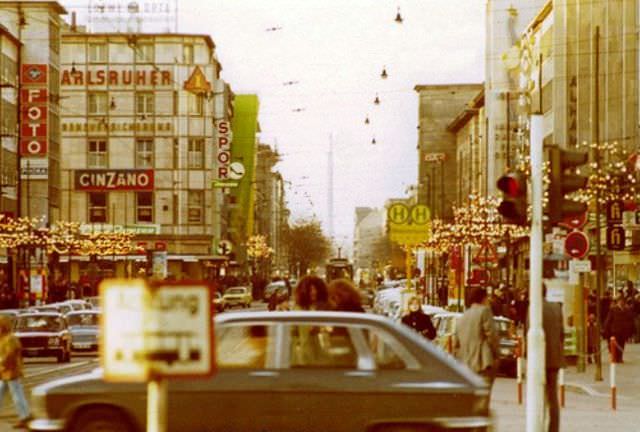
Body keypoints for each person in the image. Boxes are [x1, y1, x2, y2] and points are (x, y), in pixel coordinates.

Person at [454, 287, 498, 391]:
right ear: (483, 298)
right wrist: (496, 353)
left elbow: (457, 341)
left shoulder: (464, 316)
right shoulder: (485, 311)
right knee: (483, 392)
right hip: (482, 361)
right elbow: (492, 335)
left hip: (465, 361)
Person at [0, 316, 32, 428]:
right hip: (5, 372)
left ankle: (25, 416)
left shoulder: (9, 339)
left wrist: (2, 363)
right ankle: (25, 415)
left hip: (10, 371)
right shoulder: (4, 338)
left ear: (3, 327)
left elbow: (9, 355)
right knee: (2, 391)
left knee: (17, 395)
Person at [542, 284, 565, 432]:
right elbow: (562, 334)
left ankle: (539, 424)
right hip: (554, 358)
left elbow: (527, 332)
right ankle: (553, 428)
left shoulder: (534, 309)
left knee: (538, 395)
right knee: (553, 397)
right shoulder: (556, 308)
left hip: (540, 359)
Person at [604, 295, 634, 362]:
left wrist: (630, 329)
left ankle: (620, 357)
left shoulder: (626, 309)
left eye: (623, 301)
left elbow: (629, 320)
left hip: (623, 330)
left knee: (622, 344)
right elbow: (609, 319)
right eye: (620, 301)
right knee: (615, 344)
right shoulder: (613, 309)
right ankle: (615, 357)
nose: (622, 303)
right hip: (615, 330)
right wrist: (606, 328)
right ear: (618, 302)